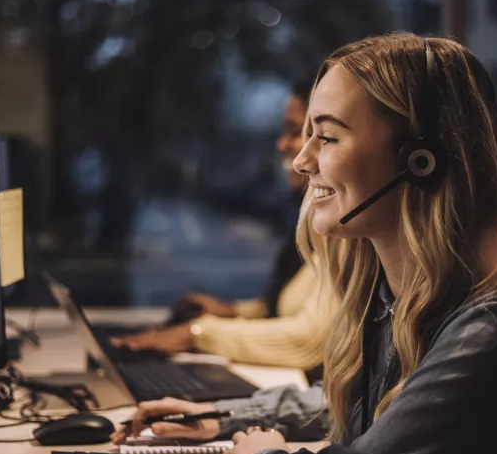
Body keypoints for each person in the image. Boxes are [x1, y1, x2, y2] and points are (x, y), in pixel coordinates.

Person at [113, 33, 497, 454]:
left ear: (420, 160)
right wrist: (221, 420)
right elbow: (366, 403)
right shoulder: (393, 296)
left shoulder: (491, 329)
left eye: (328, 135)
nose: (302, 160)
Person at [111, 77, 335, 372]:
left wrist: (199, 333)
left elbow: (308, 340)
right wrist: (234, 312)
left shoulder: (345, 231)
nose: (284, 146)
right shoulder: (314, 227)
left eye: (295, 132)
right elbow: (294, 307)